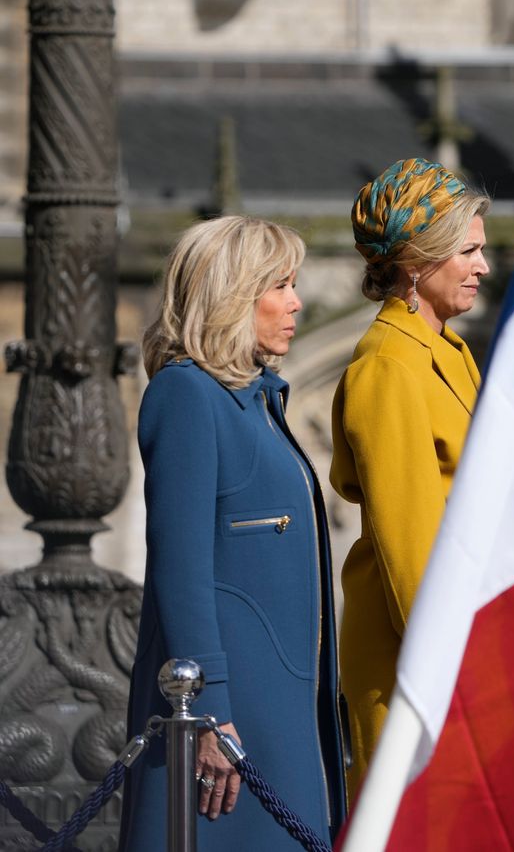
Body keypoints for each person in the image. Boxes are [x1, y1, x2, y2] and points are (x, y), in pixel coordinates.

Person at [119, 216, 346, 849]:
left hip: (279, 711)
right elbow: (180, 565)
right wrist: (208, 712)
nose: (296, 301)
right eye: (280, 284)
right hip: (230, 714)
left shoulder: (258, 402)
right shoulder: (187, 395)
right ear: (232, 295)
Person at [331, 158, 491, 791]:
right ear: (418, 262)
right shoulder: (390, 365)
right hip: (413, 651)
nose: (483, 266)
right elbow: (409, 542)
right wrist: (447, 666)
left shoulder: (445, 348)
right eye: (469, 251)